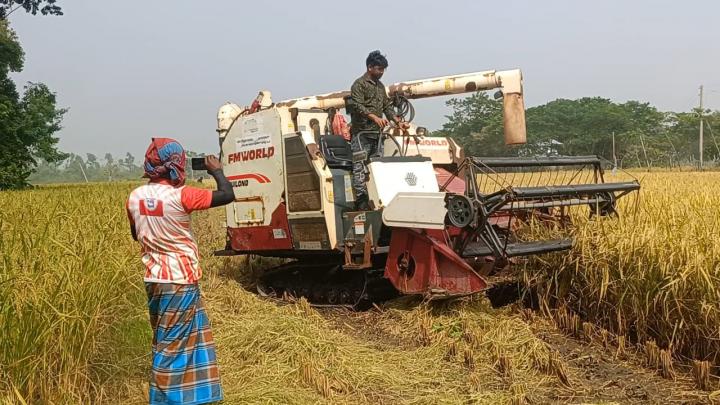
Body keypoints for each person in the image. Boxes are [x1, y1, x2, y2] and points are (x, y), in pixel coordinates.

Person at [126, 138, 234, 405]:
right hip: (179, 280)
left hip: (153, 279)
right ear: (177, 164)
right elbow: (227, 195)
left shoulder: (135, 196)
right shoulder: (183, 195)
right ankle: (165, 400)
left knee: (168, 336)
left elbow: (135, 234)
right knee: (172, 345)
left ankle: (195, 396)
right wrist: (217, 170)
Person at [346, 50, 407, 210]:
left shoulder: (380, 87)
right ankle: (361, 201)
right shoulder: (358, 84)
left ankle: (377, 197)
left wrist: (397, 121)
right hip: (361, 135)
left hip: (377, 135)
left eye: (383, 70)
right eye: (379, 69)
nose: (381, 73)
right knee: (359, 167)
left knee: (377, 167)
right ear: (370, 67)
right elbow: (357, 106)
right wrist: (374, 117)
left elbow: (387, 106)